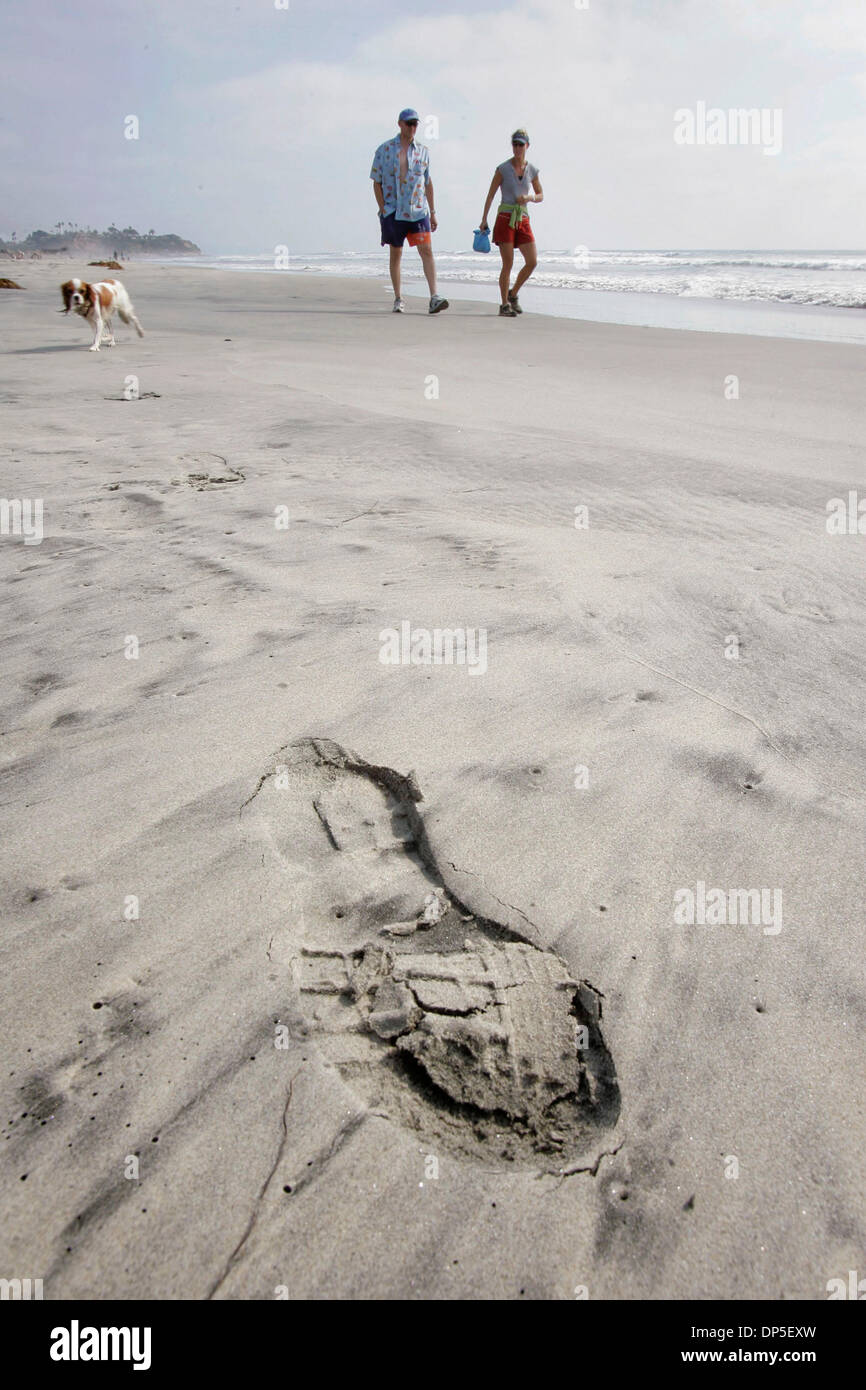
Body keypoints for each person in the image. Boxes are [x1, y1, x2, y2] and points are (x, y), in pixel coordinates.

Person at [370, 109, 449, 315]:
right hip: (393, 211)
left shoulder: (423, 151)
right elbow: (376, 181)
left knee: (426, 250)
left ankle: (434, 296)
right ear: (400, 124)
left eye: (415, 124)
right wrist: (382, 208)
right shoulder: (384, 150)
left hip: (418, 210)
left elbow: (428, 182)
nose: (413, 127)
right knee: (396, 253)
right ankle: (398, 297)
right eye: (409, 123)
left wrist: (432, 212)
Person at [479, 128, 543, 316]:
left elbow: (541, 195)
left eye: (520, 144)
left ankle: (513, 294)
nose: (517, 148)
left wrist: (529, 197)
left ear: (527, 146)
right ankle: (504, 304)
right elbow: (490, 195)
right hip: (505, 217)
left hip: (522, 218)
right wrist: (483, 219)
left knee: (532, 261)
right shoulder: (503, 169)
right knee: (508, 264)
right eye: (514, 144)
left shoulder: (532, 170)